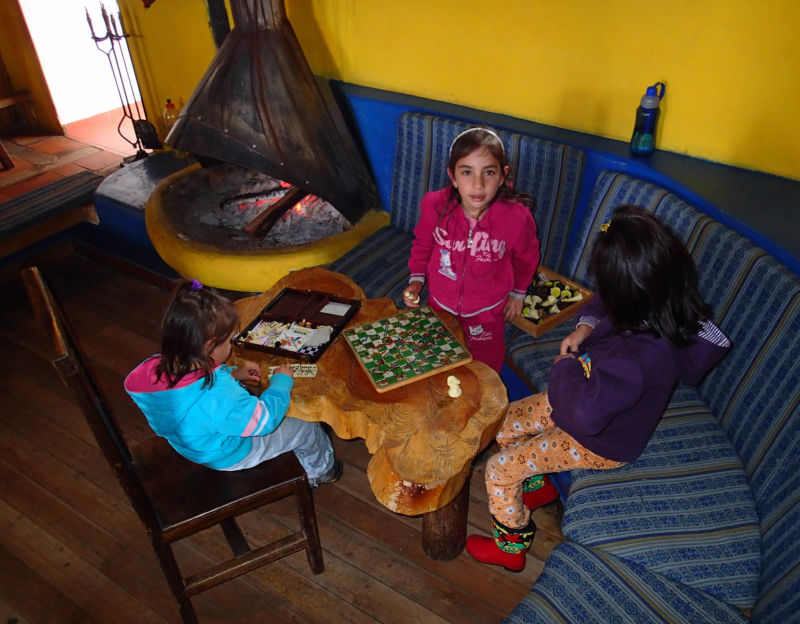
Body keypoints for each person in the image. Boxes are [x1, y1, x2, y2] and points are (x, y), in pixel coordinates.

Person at [465, 204, 731, 571]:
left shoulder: (639, 358)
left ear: (628, 292)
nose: (603, 293)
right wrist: (586, 327)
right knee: (507, 421)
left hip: (600, 439)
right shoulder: (656, 296)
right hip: (591, 395)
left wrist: (564, 369)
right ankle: (534, 486)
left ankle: (510, 545)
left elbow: (583, 416)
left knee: (498, 468)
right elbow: (604, 304)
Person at [124, 279, 342, 486]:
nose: (232, 346)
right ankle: (322, 471)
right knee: (306, 424)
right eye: (231, 340)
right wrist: (280, 384)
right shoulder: (218, 397)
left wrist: (233, 374)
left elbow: (197, 389)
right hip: (230, 453)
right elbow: (265, 420)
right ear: (210, 346)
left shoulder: (156, 367)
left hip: (191, 443)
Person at [403, 126, 540, 372]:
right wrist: (416, 280)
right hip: (440, 305)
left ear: (502, 176)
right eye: (467, 172)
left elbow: (527, 258)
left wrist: (518, 294)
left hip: (486, 313)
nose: (478, 185)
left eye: (488, 172)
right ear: (453, 176)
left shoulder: (517, 218)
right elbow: (423, 244)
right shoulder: (434, 205)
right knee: (438, 361)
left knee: (483, 368)